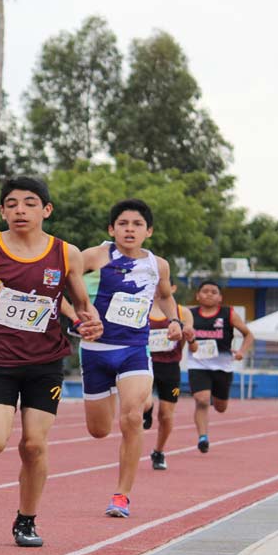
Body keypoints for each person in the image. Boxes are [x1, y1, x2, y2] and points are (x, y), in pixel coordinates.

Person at [0, 176, 101, 546]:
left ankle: (26, 519)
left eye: (29, 203)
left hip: (46, 363)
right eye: (11, 204)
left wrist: (90, 318)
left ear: (46, 210)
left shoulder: (65, 253)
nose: (20, 210)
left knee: (33, 445)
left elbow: (79, 303)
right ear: (1, 211)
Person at [79, 199, 183, 518]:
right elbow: (66, 287)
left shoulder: (157, 264)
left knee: (132, 418)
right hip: (96, 352)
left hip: (134, 350)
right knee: (98, 430)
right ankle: (134, 398)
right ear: (111, 229)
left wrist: (175, 320)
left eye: (137, 224)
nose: (129, 229)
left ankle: (122, 495)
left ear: (148, 231)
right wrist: (76, 318)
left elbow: (164, 296)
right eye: (123, 223)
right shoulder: (93, 256)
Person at [186, 280, 254, 453]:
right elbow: (182, 336)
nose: (209, 294)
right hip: (198, 364)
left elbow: (248, 335)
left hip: (223, 366)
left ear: (220, 298)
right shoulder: (189, 314)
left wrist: (241, 352)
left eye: (213, 292)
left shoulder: (228, 313)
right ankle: (203, 437)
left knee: (220, 407)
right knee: (201, 399)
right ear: (198, 295)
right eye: (205, 291)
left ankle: (216, 398)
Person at [141, 283, 196, 471]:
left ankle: (159, 451)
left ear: (172, 287)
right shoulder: (142, 306)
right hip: (143, 364)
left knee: (165, 415)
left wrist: (190, 336)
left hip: (170, 367)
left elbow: (193, 346)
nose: (157, 288)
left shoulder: (182, 313)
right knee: (144, 402)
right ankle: (146, 411)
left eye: (161, 284)